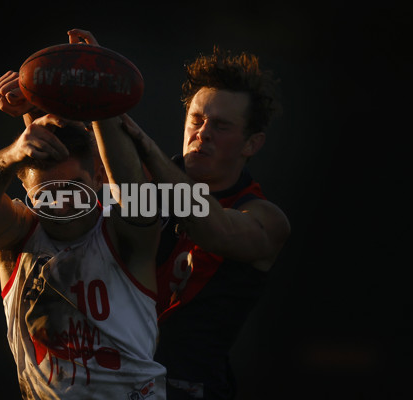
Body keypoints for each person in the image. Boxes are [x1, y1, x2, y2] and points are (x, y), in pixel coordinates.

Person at [0, 31, 166, 399]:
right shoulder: (19, 241)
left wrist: (101, 104)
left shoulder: (124, 235)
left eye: (75, 187)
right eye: (48, 193)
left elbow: (134, 191)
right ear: (26, 193)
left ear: (99, 179)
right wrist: (12, 155)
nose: (63, 203)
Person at [121, 47, 291, 398]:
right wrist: (35, 109)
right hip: (112, 384)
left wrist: (143, 148)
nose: (203, 133)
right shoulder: (143, 185)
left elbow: (216, 229)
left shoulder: (265, 218)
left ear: (253, 143)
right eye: (196, 120)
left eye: (222, 126)